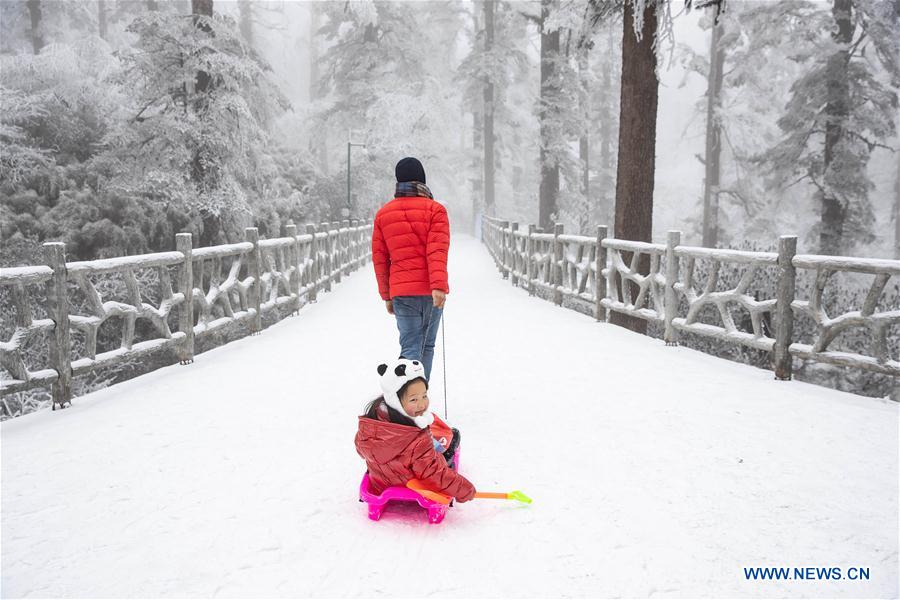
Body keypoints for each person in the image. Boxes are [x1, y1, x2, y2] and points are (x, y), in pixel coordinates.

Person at [372, 157, 449, 381]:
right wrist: (438, 286)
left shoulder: (383, 214)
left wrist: (386, 295)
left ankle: (406, 402)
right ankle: (419, 400)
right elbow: (437, 251)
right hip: (430, 292)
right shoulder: (436, 211)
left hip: (401, 293)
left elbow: (380, 259)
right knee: (427, 345)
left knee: (409, 346)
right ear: (422, 179)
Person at [355, 358, 474, 501]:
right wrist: (463, 489)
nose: (422, 404)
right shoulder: (417, 441)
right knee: (451, 437)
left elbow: (361, 450)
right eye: (413, 400)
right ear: (396, 402)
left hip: (381, 482)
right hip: (415, 485)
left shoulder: (369, 426)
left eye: (424, 396)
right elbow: (433, 473)